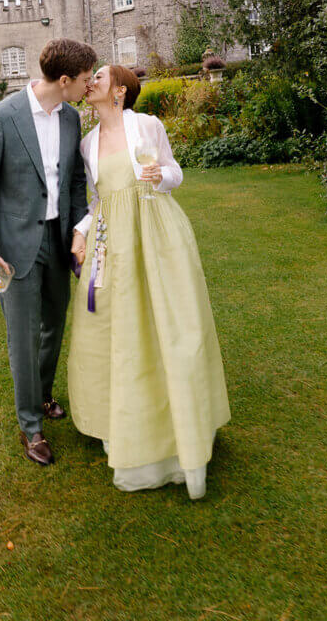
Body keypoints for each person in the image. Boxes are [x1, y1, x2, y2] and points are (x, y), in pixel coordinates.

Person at [69, 64, 230, 499]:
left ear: (119, 90)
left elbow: (175, 174)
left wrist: (162, 177)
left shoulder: (147, 125)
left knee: (170, 326)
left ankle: (180, 431)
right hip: (112, 241)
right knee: (119, 331)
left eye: (100, 76)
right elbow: (99, 199)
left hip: (156, 234)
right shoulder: (87, 144)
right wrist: (82, 231)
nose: (91, 81)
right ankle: (126, 425)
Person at [0, 38, 97, 467]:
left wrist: (80, 232)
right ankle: (31, 427)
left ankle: (42, 395)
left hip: (59, 241)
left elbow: (76, 184)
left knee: (54, 326)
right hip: (14, 248)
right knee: (22, 338)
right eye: (84, 80)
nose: (88, 86)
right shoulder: (1, 118)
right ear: (63, 80)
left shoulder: (72, 118)